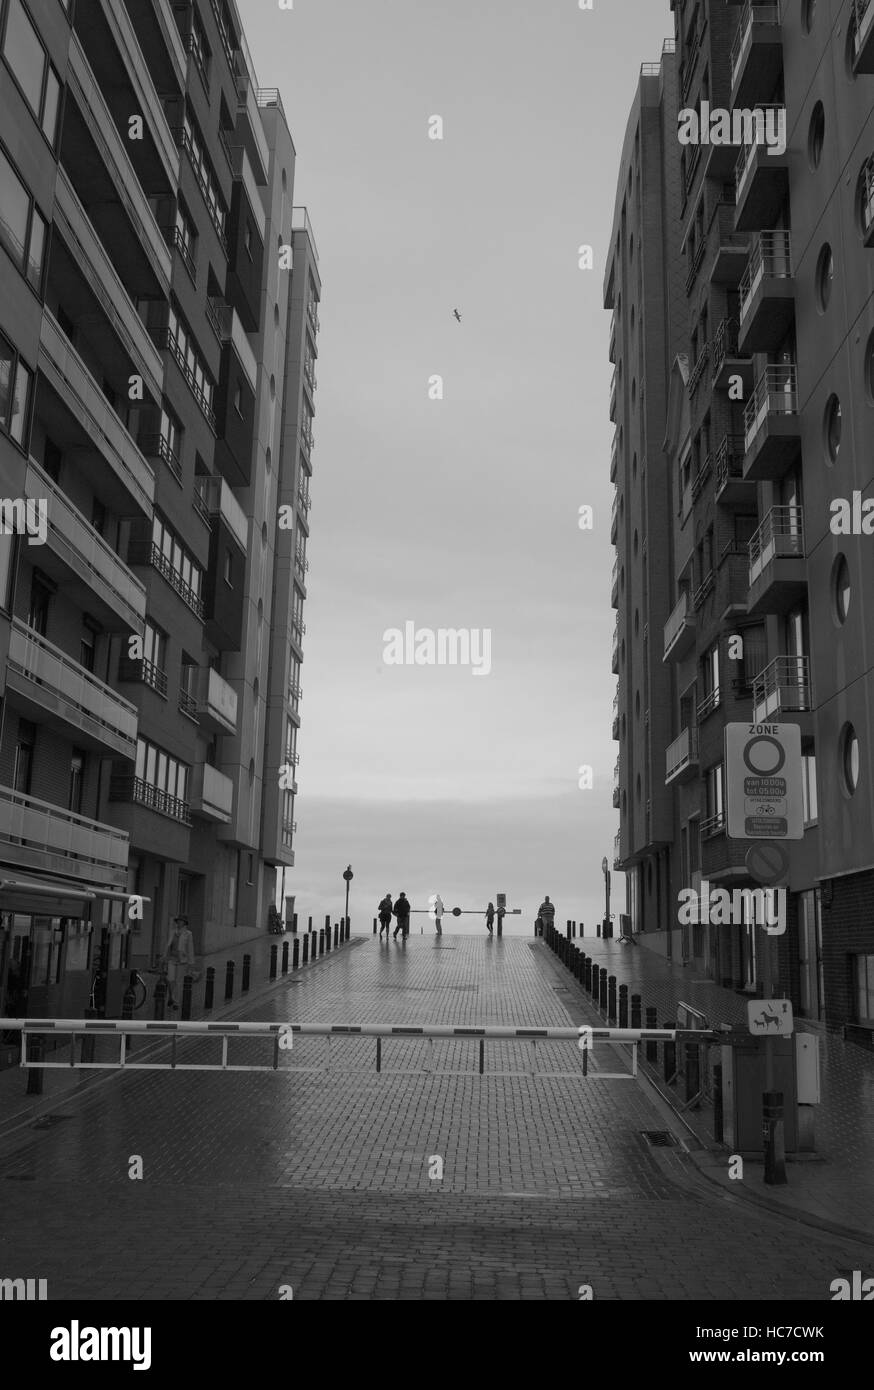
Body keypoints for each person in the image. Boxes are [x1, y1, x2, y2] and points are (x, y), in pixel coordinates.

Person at [162, 915, 196, 1009]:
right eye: (178, 921)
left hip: (182, 960)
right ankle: (171, 996)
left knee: (178, 982)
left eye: (181, 921)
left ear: (185, 923)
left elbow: (190, 949)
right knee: (170, 979)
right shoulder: (172, 932)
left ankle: (175, 1002)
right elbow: (167, 945)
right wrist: (164, 957)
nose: (179, 923)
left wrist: (191, 963)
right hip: (171, 959)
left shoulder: (188, 934)